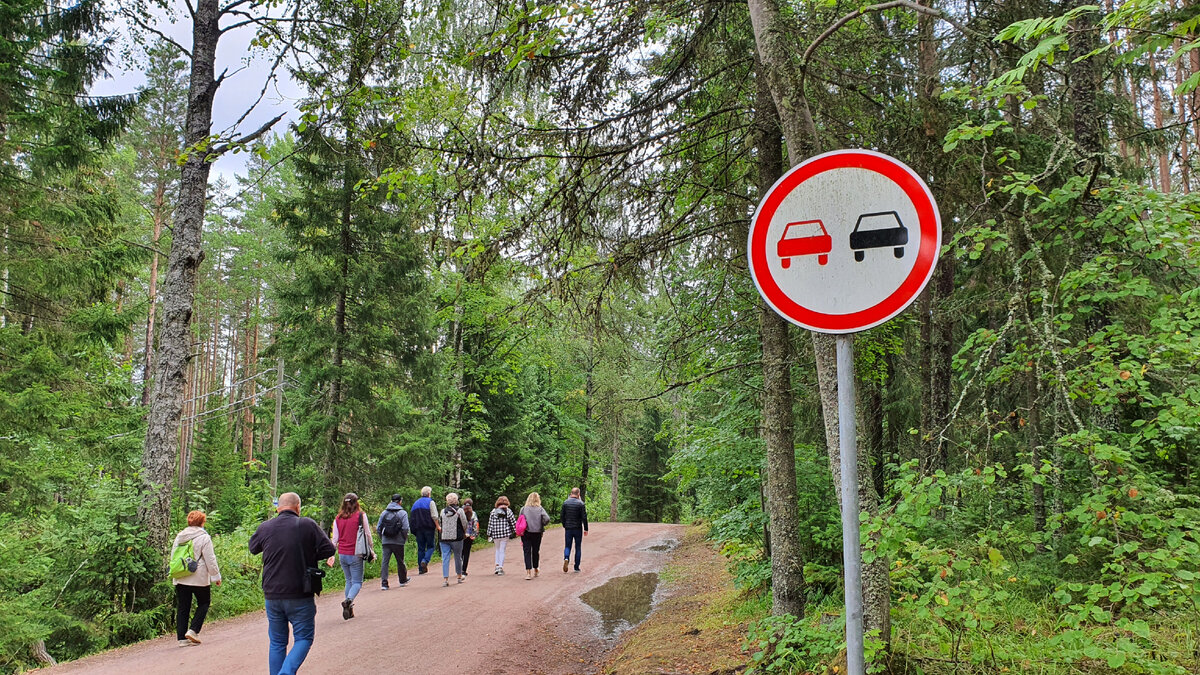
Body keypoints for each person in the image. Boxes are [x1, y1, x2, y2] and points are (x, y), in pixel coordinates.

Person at [248, 492, 336, 675]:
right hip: (300, 592)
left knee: (278, 642)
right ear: (298, 507)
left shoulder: (266, 527)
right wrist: (309, 555)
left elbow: (253, 548)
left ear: (278, 508)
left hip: (272, 593)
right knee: (303, 638)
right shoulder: (307, 524)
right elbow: (329, 548)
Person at [171, 510, 221, 646]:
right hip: (199, 578)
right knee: (204, 602)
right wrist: (216, 576)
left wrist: (175, 574)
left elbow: (173, 556)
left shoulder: (180, 536)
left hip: (181, 576)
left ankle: (182, 638)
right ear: (202, 522)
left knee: (183, 607)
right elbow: (210, 559)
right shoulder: (204, 537)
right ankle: (193, 630)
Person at [327, 493, 373, 619]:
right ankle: (348, 600)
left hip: (342, 553)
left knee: (348, 580)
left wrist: (332, 554)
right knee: (357, 582)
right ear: (356, 502)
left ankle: (350, 609)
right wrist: (371, 549)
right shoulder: (360, 516)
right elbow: (367, 534)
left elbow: (334, 539)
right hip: (356, 553)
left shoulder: (338, 518)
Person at [377, 493, 410, 590]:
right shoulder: (402, 513)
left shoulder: (384, 513)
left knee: (385, 562)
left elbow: (379, 527)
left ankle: (384, 583)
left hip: (386, 541)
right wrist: (404, 538)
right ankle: (402, 580)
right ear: (400, 501)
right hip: (398, 541)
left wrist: (382, 537)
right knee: (400, 561)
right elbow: (405, 528)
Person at [438, 492, 470, 587]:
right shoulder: (460, 511)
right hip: (457, 537)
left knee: (445, 558)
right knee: (458, 557)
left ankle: (445, 579)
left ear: (447, 501)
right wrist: (465, 532)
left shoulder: (442, 511)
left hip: (444, 538)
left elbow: (440, 523)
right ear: (456, 501)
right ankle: (459, 576)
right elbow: (464, 523)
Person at [519, 492, 551, 580]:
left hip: (526, 533)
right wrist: (542, 524)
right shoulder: (540, 509)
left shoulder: (523, 509)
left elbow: (520, 520)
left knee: (527, 551)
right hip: (537, 533)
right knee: (535, 551)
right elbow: (547, 518)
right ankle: (536, 569)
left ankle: (528, 572)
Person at [409, 486, 439, 575]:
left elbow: (412, 518)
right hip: (428, 528)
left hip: (418, 529)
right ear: (429, 494)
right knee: (431, 546)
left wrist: (413, 530)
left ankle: (421, 569)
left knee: (421, 548)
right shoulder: (430, 502)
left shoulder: (415, 503)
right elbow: (434, 515)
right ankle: (425, 561)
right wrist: (437, 525)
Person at [561, 487, 589, 573]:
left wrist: (564, 525)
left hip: (568, 528)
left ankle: (566, 558)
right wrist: (586, 529)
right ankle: (576, 567)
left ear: (571, 493)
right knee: (578, 547)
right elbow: (584, 517)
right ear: (578, 494)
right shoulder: (581, 504)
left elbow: (562, 516)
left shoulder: (565, 503)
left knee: (567, 546)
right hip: (577, 528)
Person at [487, 496, 517, 575]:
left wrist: (489, 534)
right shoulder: (508, 511)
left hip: (495, 533)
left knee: (497, 549)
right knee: (502, 550)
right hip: (505, 533)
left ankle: (497, 566)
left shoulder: (493, 511)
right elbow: (513, 522)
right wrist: (516, 531)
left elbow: (490, 524)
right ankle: (500, 567)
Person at [460, 498, 480, 576]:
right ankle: (464, 570)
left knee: (460, 552)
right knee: (466, 552)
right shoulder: (473, 513)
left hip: (461, 535)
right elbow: (476, 525)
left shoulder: (460, 512)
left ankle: (459, 568)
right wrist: (475, 534)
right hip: (469, 536)